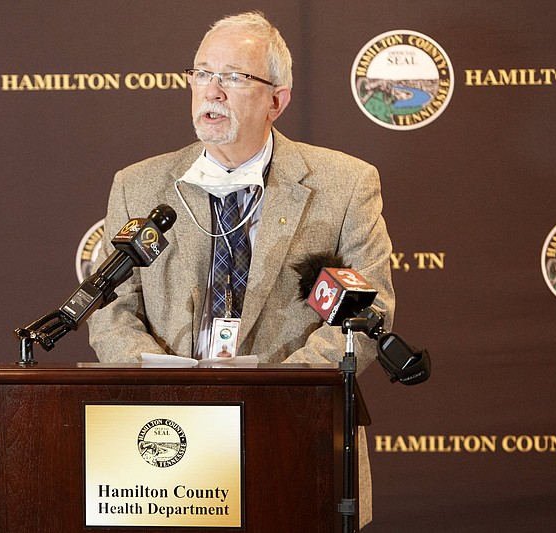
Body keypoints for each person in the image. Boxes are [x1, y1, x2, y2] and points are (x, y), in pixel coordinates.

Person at [87, 11, 394, 527]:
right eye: (202, 73)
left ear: (277, 99)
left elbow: (369, 312)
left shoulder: (346, 185)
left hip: (293, 433)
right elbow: (109, 307)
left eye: (233, 77)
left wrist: (273, 393)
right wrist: (166, 385)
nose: (212, 91)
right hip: (166, 443)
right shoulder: (137, 185)